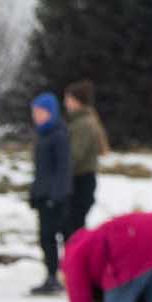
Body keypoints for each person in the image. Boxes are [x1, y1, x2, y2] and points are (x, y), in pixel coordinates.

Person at [27, 93, 73, 295]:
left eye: (40, 112)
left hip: (54, 198)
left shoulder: (58, 135)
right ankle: (51, 275)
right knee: (45, 238)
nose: (36, 116)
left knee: (54, 237)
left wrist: (57, 196)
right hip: (43, 194)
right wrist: (35, 192)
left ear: (51, 113)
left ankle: (57, 276)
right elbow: (41, 170)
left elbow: (63, 168)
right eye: (34, 112)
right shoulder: (43, 135)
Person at [63, 80, 108, 239]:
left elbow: (75, 155)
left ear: (77, 100)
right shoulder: (80, 121)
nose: (65, 102)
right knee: (73, 225)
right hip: (81, 180)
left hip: (80, 181)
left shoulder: (83, 124)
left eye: (68, 98)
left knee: (74, 228)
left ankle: (77, 261)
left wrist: (59, 171)